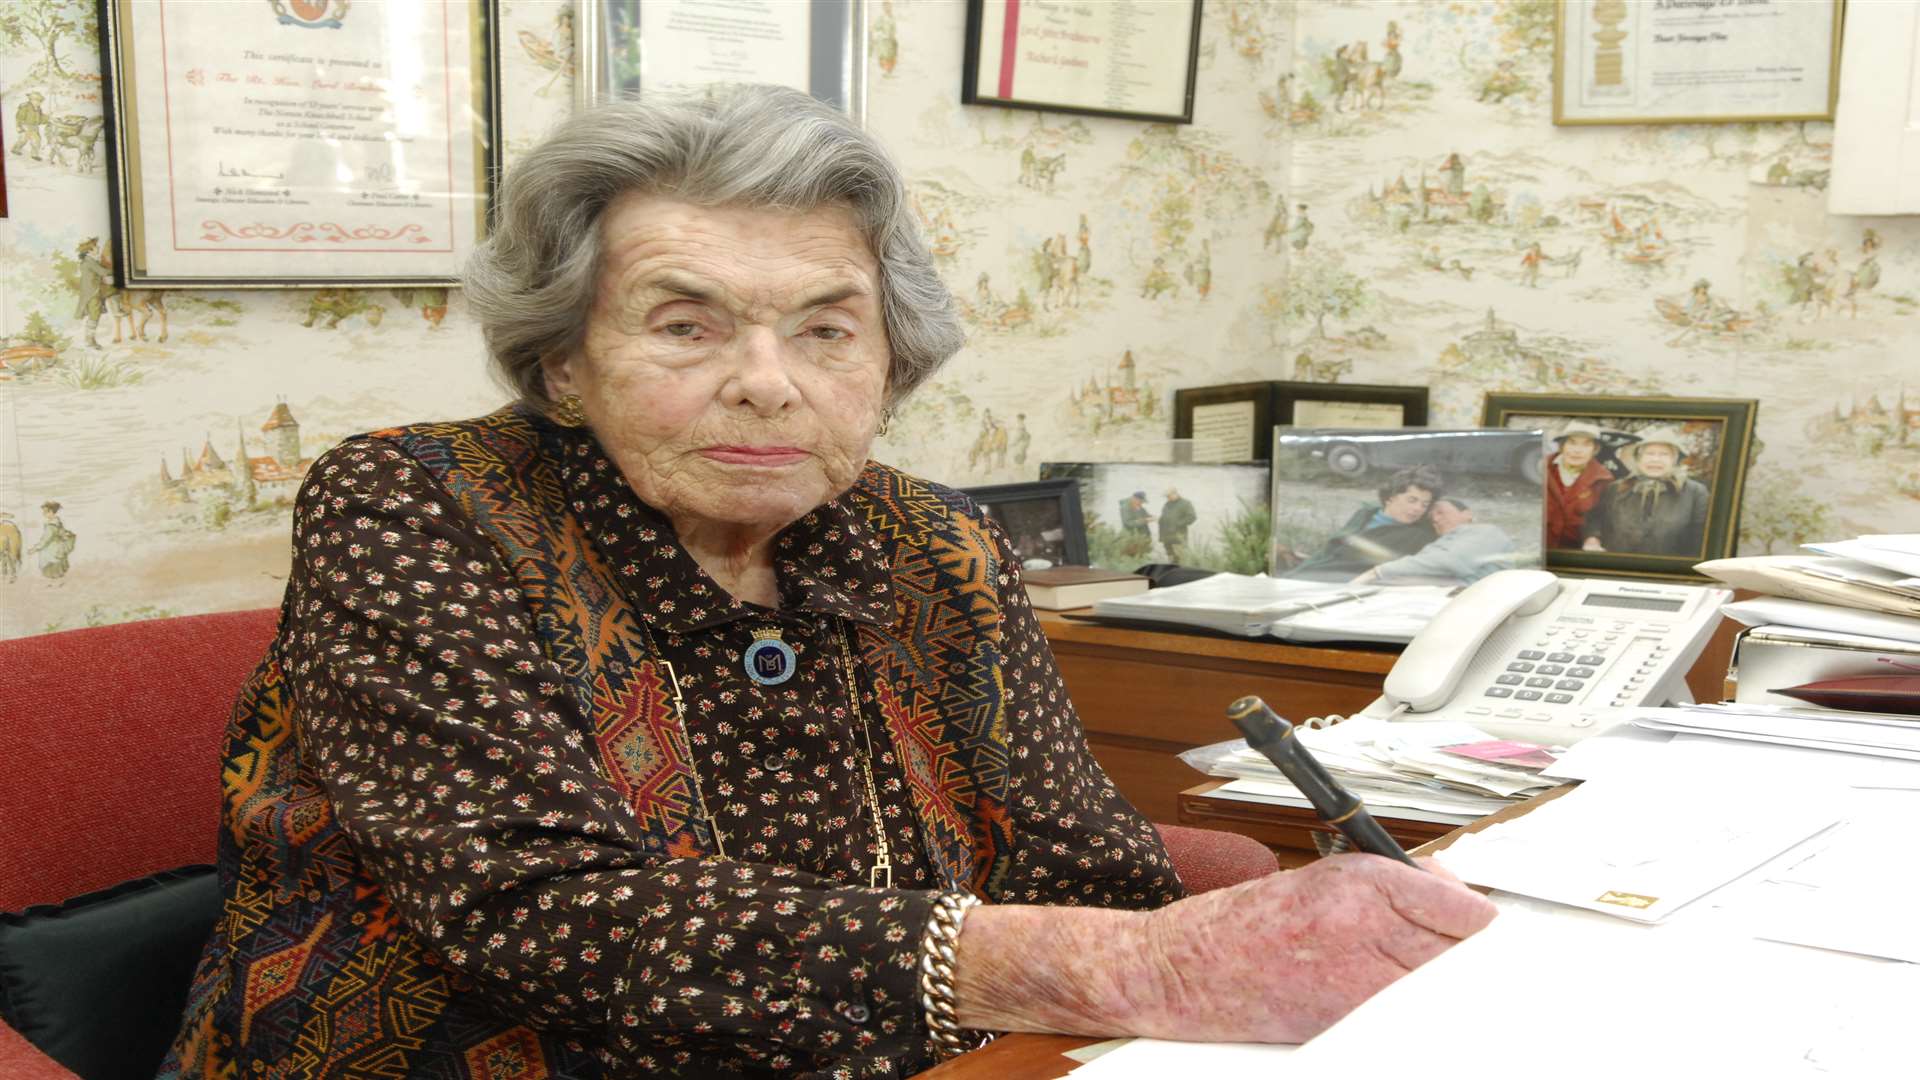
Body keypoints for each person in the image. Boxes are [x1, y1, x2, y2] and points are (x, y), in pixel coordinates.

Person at [159, 88, 1497, 1078]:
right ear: (565, 362)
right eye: (686, 324)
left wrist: (1254, 941)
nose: (766, 378)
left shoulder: (938, 546)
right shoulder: (420, 508)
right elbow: (536, 913)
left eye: (824, 329)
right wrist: (1120, 966)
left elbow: (1080, 857)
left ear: (890, 361)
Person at [1284, 464, 1443, 581]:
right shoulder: (1366, 514)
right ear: (1391, 497)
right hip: (1308, 572)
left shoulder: (1419, 534)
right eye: (1412, 500)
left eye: (1424, 504)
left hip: (1338, 584)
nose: (1418, 509)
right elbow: (1331, 548)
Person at [1582, 426, 1709, 557]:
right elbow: (1595, 518)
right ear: (1639, 459)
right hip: (1617, 567)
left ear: (1674, 460)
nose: (1655, 459)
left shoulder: (1695, 493)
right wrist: (1592, 538)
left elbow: (1701, 538)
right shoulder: (1616, 488)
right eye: (1649, 453)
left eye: (1664, 454)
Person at [1352, 498, 1513, 586]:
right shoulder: (1440, 543)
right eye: (1431, 517)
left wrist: (1378, 572)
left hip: (1470, 607)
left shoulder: (1486, 531)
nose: (1435, 519)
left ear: (1467, 514)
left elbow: (1449, 562)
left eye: (1441, 512)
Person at [1545, 420, 1613, 549]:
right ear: (1562, 446)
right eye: (1572, 443)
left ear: (1595, 450)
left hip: (1575, 550)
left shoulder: (1604, 479)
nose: (1577, 450)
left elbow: (1601, 518)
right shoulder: (1542, 468)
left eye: (1586, 445)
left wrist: (1593, 538)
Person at [29, 500, 74, 581]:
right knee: (56, 569)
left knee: (51, 569)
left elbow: (45, 540)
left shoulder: (51, 525)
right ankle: (57, 583)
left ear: (51, 512)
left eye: (45, 512)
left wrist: (35, 549)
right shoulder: (58, 522)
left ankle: (55, 584)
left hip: (52, 551)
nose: (43, 514)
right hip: (58, 549)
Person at [1158, 486, 1197, 563]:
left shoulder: (1185, 503)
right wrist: (1160, 520)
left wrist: (1177, 524)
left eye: (1168, 496)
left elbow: (1192, 517)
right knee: (1170, 559)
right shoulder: (1167, 504)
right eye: (1166, 496)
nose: (1167, 498)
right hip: (1167, 538)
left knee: (1180, 560)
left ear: (1175, 494)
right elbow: (1164, 518)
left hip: (1178, 538)